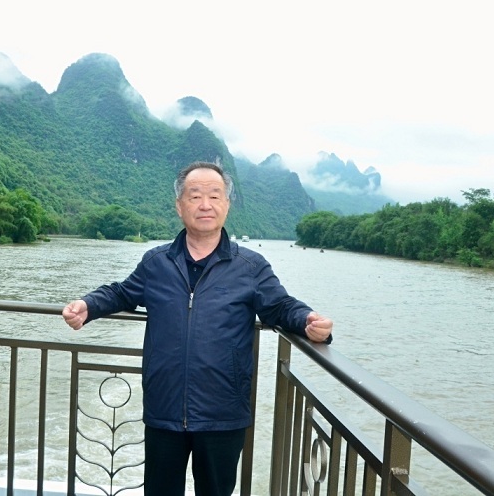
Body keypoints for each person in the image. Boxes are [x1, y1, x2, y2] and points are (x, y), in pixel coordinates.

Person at [62, 161, 333, 496]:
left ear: (227, 205)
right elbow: (122, 292)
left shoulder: (250, 267)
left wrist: (308, 321)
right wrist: (88, 305)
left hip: (223, 412)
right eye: (195, 196)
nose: (206, 204)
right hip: (164, 409)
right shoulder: (156, 263)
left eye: (215, 196)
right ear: (180, 206)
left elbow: (280, 306)